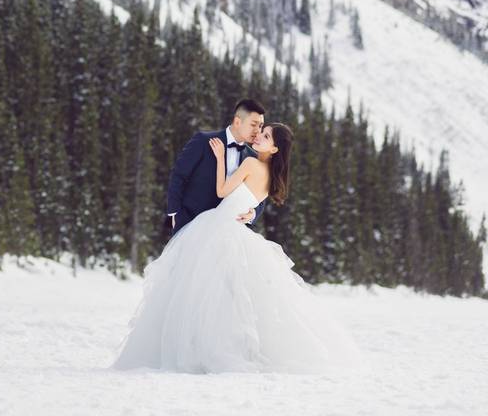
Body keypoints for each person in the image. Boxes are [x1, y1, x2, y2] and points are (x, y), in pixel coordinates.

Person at [111, 122, 362, 373]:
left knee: (198, 291)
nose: (259, 137)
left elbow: (222, 190)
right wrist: (252, 212)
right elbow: (251, 201)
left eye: (266, 136)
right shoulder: (273, 177)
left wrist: (220, 157)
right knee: (227, 295)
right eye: (261, 132)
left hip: (217, 227)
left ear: (274, 148)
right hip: (236, 232)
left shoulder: (251, 164)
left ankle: (199, 348)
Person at [164, 99, 267, 238]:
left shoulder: (253, 158)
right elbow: (178, 176)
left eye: (261, 126)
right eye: (253, 124)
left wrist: (253, 214)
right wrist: (174, 214)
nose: (258, 131)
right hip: (189, 225)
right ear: (237, 122)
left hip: (226, 234)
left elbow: (260, 194)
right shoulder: (203, 140)